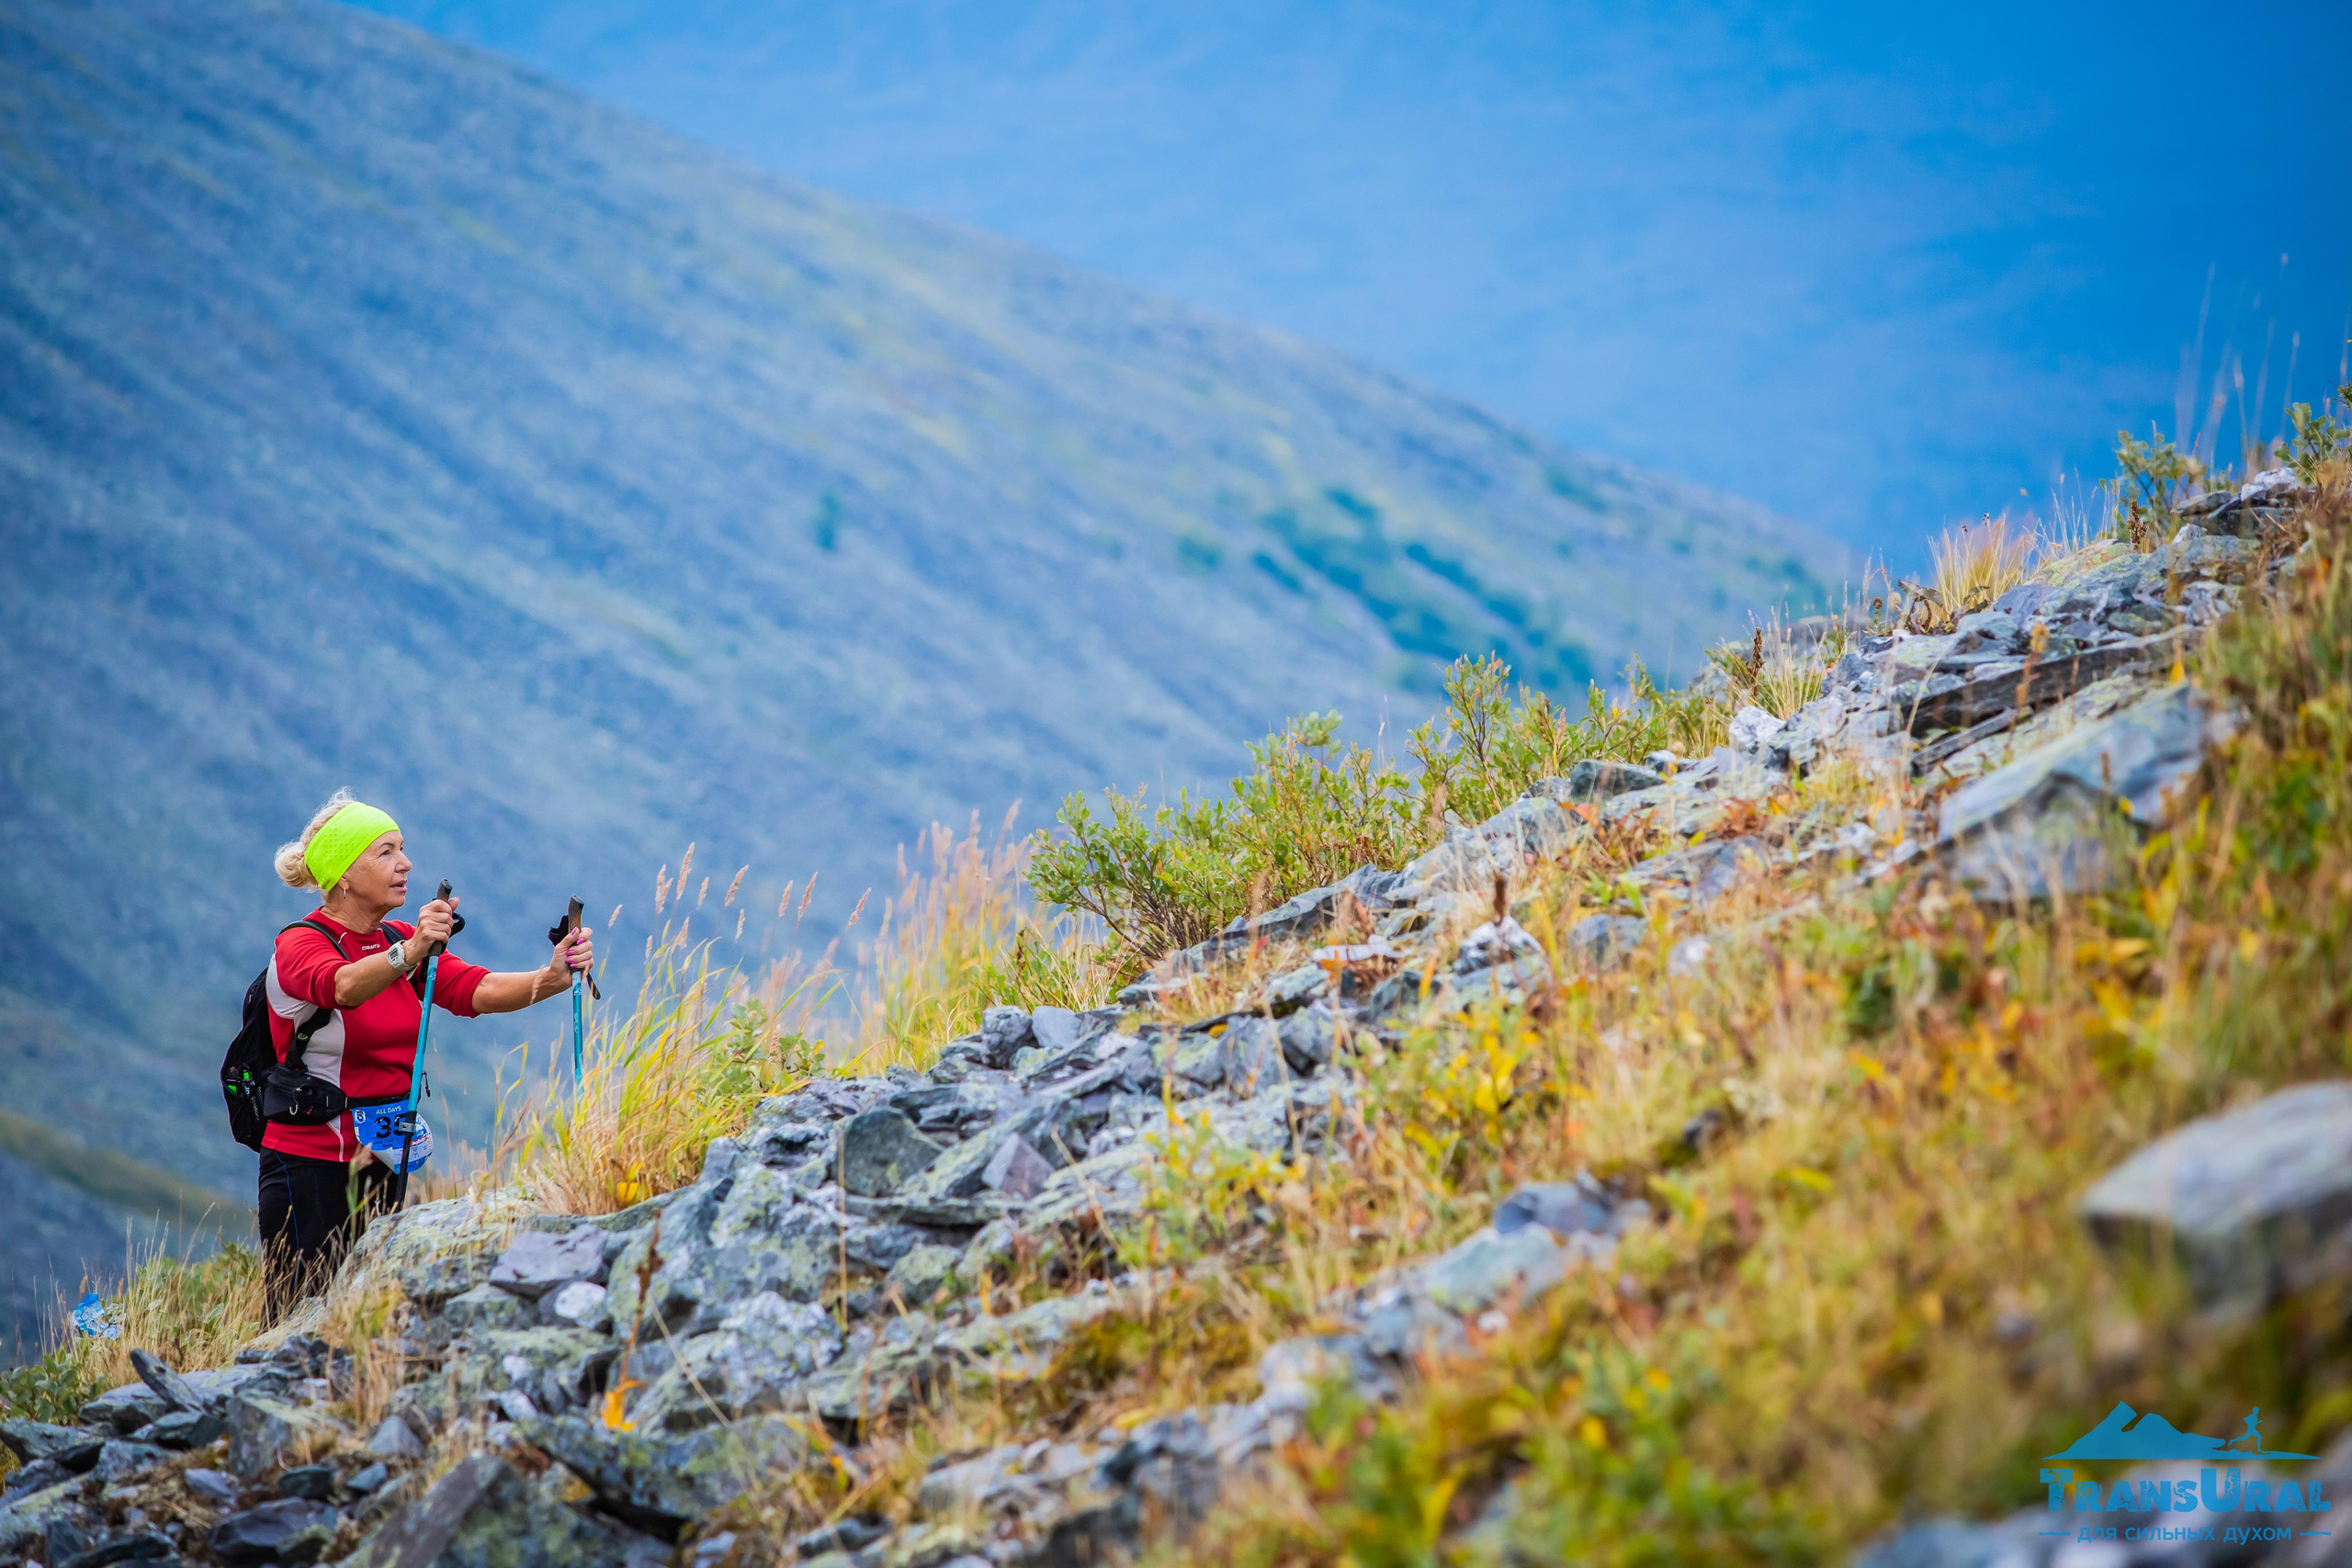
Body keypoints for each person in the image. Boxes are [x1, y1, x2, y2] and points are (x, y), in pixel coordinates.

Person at [260, 790, 592, 1314]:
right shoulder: (301, 944)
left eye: (402, 849)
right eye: (385, 852)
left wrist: (551, 978)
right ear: (344, 874)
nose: (405, 863)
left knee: (368, 1314)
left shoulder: (394, 937)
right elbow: (341, 987)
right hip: (310, 1162)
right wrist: (412, 950)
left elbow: (473, 991)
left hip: (387, 1152)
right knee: (301, 1317)